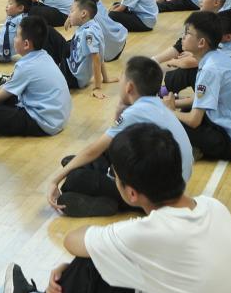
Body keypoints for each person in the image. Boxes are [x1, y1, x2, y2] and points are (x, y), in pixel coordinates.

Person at [9, 123, 231, 293]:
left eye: (114, 175)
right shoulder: (213, 206)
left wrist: (78, 265)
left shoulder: (152, 233)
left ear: (131, 193)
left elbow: (71, 240)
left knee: (93, 265)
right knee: (112, 262)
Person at [45, 58, 194, 218]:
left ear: (129, 87)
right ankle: (93, 172)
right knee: (79, 160)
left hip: (155, 197)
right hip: (175, 185)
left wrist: (55, 180)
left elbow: (93, 150)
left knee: (75, 179)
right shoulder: (156, 105)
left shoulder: (135, 112)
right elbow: (116, 143)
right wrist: (118, 113)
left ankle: (114, 203)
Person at [169, 12, 231, 161]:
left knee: (169, 120)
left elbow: (194, 121)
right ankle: (195, 147)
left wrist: (168, 110)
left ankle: (195, 149)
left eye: (187, 33)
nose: (183, 37)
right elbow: (203, 100)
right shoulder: (216, 58)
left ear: (201, 43)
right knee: (186, 111)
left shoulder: (210, 69)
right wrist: (174, 103)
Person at [0, 16, 72, 137]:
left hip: (43, 123)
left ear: (26, 44)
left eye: (17, 36)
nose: (14, 39)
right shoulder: (44, 55)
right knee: (0, 88)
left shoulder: (26, 67)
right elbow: (4, 88)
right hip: (57, 118)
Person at [60, 0, 106, 98]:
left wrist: (97, 88)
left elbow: (97, 58)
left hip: (73, 76)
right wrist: (106, 78)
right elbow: (101, 52)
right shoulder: (92, 24)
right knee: (64, 44)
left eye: (72, 11)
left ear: (83, 14)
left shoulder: (88, 33)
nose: (69, 15)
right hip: (73, 68)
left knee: (50, 35)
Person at [75, 0, 127, 65]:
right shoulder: (97, 3)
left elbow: (89, 43)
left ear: (88, 0)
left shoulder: (87, 16)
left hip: (107, 53)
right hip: (119, 41)